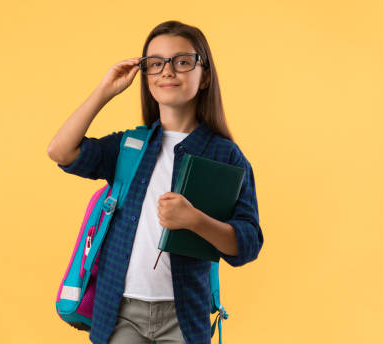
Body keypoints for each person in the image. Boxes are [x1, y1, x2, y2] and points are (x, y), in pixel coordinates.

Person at [47, 20, 264, 344]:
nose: (167, 71)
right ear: (145, 75)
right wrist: (105, 90)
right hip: (118, 313)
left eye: (182, 61)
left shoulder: (225, 155)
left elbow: (247, 243)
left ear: (204, 75)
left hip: (184, 317)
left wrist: (195, 221)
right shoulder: (130, 147)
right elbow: (61, 151)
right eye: (156, 63)